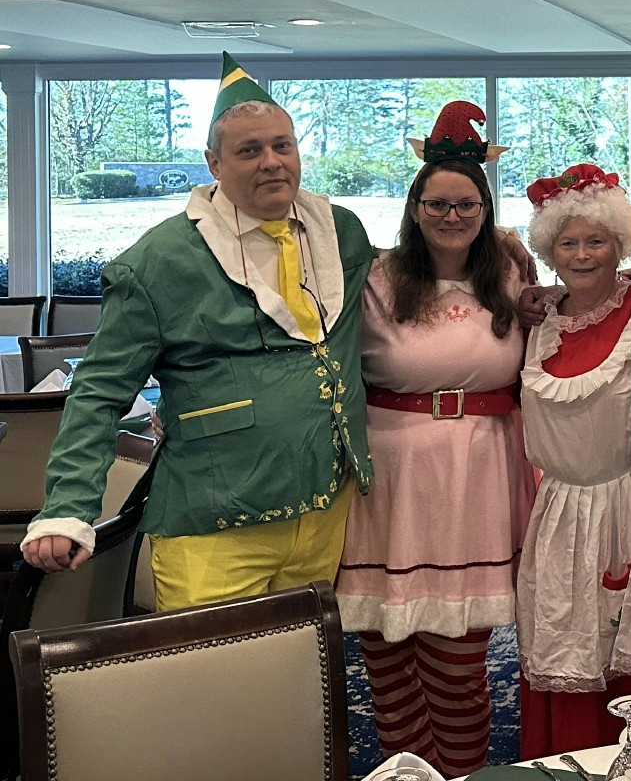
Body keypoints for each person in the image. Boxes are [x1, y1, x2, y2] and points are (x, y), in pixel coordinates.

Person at [22, 54, 374, 610]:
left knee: (302, 678)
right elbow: (100, 391)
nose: (271, 162)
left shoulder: (342, 232)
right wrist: (68, 507)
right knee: (211, 687)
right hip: (215, 515)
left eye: (283, 145)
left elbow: (404, 286)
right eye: (248, 150)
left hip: (326, 507)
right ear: (213, 162)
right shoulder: (158, 261)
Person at [335, 101, 535, 778]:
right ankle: (407, 772)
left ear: (486, 210)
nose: (453, 216)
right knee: (387, 662)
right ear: (415, 207)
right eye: (438, 204)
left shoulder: (512, 276)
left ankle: (462, 774)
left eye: (466, 205)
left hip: (475, 480)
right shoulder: (374, 279)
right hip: (386, 485)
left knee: (456, 665)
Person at [516, 163, 631, 757]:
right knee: (560, 647)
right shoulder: (535, 321)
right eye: (568, 243)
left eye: (595, 241)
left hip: (630, 508)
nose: (581, 255)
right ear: (549, 251)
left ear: (620, 245)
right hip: (557, 512)